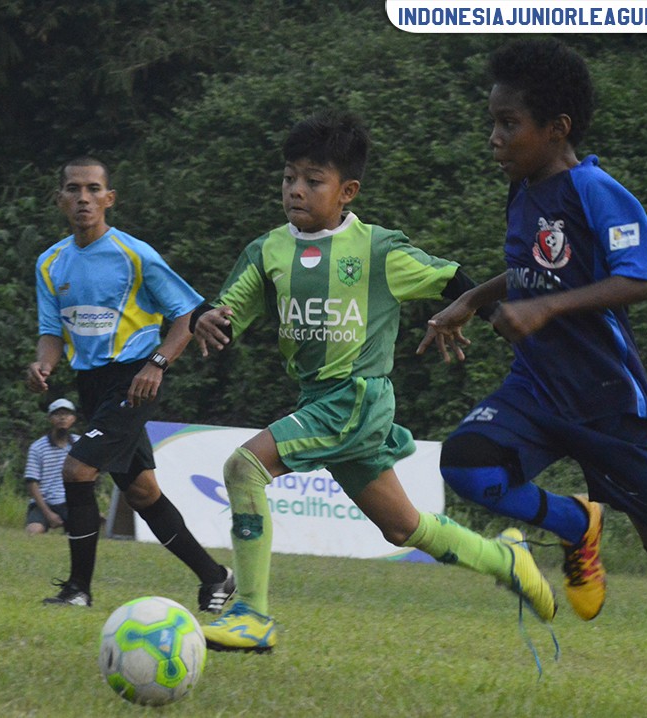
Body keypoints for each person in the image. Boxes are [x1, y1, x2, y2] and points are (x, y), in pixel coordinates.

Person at [416, 39, 647, 716]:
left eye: (507, 123)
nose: (493, 137)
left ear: (557, 129)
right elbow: (535, 270)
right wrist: (472, 299)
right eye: (492, 121)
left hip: (608, 401)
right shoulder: (524, 190)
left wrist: (544, 307)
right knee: (465, 466)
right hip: (539, 390)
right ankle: (577, 524)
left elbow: (642, 280)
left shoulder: (595, 190)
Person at [191, 110, 557, 654]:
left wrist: (507, 327)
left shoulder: (378, 250)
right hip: (320, 401)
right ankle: (506, 559)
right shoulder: (267, 250)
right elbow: (229, 307)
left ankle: (252, 613)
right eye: (289, 177)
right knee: (404, 528)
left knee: (243, 468)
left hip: (355, 399)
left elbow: (452, 278)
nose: (296, 189)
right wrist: (207, 318)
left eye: (313, 180)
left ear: (348, 191)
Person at [26, 156, 236, 613]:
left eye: (93, 189)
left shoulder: (134, 254)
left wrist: (157, 363)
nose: (84, 198)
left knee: (76, 471)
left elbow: (187, 312)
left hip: (134, 380)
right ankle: (216, 577)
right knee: (142, 493)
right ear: (60, 198)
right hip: (90, 385)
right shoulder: (50, 263)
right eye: (74, 189)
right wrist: (43, 365)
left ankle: (78, 589)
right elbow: (51, 332)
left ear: (109, 199)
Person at [24, 398, 79, 535]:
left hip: (70, 501)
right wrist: (48, 514)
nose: (62, 418)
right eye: (57, 414)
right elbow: (32, 483)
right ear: (50, 418)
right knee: (33, 531)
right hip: (44, 502)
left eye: (67, 414)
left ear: (73, 418)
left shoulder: (80, 444)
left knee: (83, 530)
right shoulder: (38, 447)